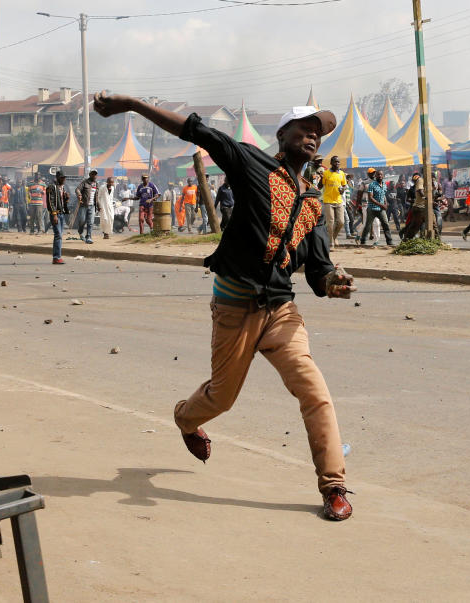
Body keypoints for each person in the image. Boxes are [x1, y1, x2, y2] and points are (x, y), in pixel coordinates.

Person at [96, 92, 356, 521]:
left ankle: (334, 486)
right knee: (221, 398)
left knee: (315, 393)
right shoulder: (251, 162)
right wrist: (133, 105)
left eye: (318, 132)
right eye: (304, 128)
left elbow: (318, 272)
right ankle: (185, 418)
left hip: (281, 312)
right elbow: (193, 129)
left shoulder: (313, 202)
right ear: (282, 135)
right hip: (234, 308)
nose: (312, 136)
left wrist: (334, 283)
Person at [358, 169, 394, 246]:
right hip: (372, 209)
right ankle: (363, 241)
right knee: (368, 226)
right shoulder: (372, 185)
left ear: (383, 176)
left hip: (381, 210)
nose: (379, 176)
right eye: (378, 175)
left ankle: (389, 241)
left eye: (381, 175)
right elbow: (370, 198)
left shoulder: (384, 185)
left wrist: (386, 203)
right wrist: (381, 205)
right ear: (376, 176)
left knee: (385, 224)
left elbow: (383, 195)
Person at [320, 156, 347, 249]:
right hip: (328, 201)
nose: (337, 164)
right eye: (335, 162)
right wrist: (321, 178)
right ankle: (331, 243)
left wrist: (342, 190)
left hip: (339, 200)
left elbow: (344, 185)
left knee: (341, 222)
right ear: (331, 163)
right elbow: (320, 186)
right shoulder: (326, 173)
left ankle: (333, 237)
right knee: (330, 223)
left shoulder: (342, 173)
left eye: (338, 162)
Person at [46, 171, 70, 264]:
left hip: (61, 214)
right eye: (62, 178)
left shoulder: (62, 187)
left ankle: (57, 256)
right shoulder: (51, 187)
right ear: (57, 178)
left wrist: (66, 198)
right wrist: (54, 214)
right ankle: (56, 257)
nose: (64, 180)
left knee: (59, 235)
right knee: (58, 235)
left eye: (64, 178)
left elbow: (62, 202)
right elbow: (50, 202)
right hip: (55, 214)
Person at [75, 170, 99, 243]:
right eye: (93, 174)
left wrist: (99, 206)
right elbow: (77, 189)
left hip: (92, 206)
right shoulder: (84, 182)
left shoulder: (97, 184)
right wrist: (79, 195)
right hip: (84, 205)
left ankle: (88, 237)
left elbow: (97, 196)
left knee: (91, 222)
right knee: (82, 220)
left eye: (95, 175)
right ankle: (80, 231)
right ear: (90, 175)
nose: (94, 176)